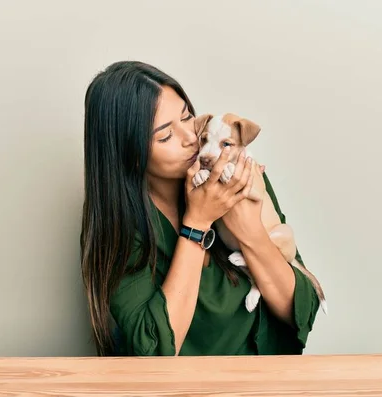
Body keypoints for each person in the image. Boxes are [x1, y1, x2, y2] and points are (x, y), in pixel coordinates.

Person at [80, 61, 320, 357]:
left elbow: (301, 309)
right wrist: (197, 222)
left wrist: (249, 231)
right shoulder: (122, 226)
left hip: (264, 382)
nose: (192, 138)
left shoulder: (238, 175)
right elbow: (153, 350)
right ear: (130, 154)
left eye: (188, 117)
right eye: (165, 136)